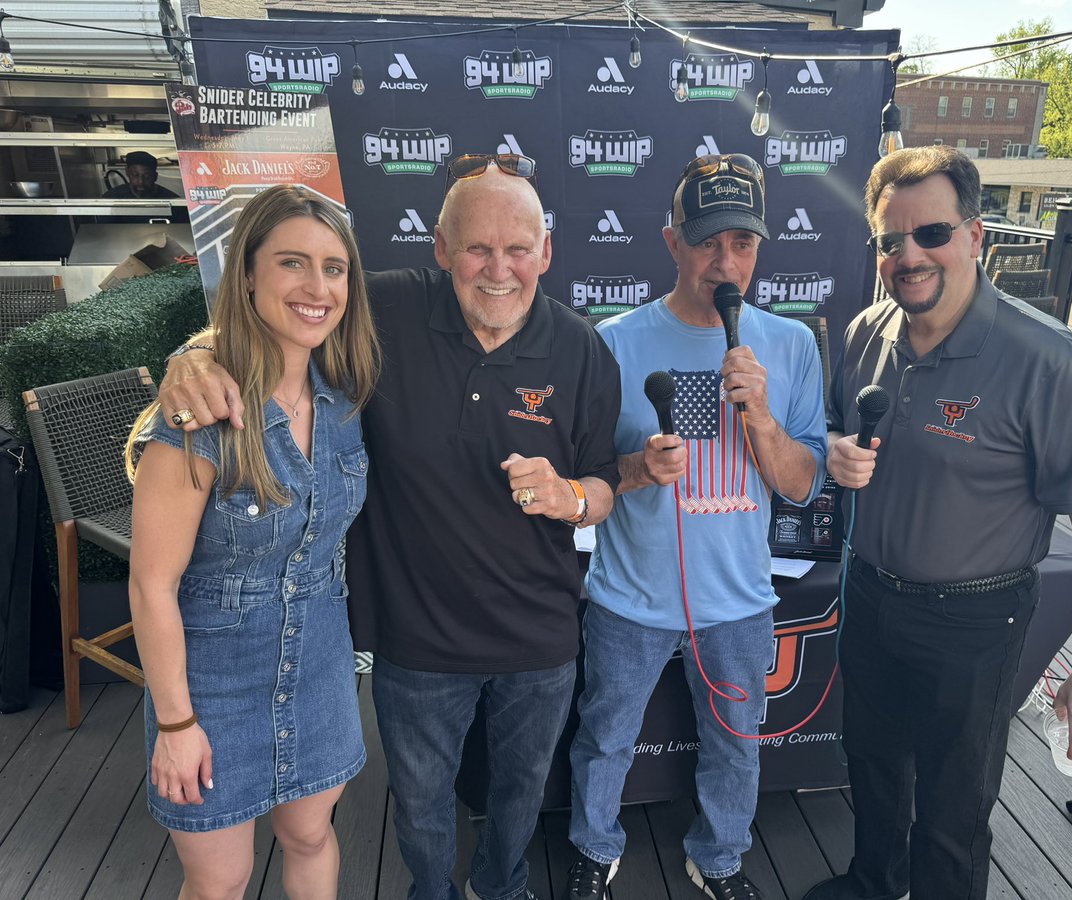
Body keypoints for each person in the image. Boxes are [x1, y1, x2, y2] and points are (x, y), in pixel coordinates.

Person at [157, 154, 621, 900]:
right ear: (440, 250)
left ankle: (501, 889)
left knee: (519, 800)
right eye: (476, 248)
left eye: (518, 249)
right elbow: (283, 314)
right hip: (416, 639)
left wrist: (571, 495)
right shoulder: (384, 311)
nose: (498, 269)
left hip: (540, 637)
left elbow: (606, 483)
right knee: (423, 809)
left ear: (546, 253)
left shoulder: (584, 348)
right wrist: (193, 355)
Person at [804, 146, 1072, 900]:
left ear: (976, 235)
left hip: (976, 617)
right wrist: (832, 450)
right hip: (871, 599)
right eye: (891, 240)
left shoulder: (1046, 360)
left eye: (931, 234)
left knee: (954, 808)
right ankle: (872, 885)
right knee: (874, 769)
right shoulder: (864, 333)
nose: (909, 255)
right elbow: (829, 429)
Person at [566, 154, 827, 900]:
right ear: (672, 242)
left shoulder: (791, 345)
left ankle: (718, 859)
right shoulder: (612, 341)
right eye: (708, 241)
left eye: (742, 243)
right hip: (630, 596)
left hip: (738, 600)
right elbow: (587, 477)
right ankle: (593, 848)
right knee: (605, 736)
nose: (725, 262)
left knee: (737, 747)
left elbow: (802, 486)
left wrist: (764, 420)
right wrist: (639, 469)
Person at [124, 184, 380, 899]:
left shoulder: (347, 396)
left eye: (334, 268)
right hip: (212, 682)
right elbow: (151, 585)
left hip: (321, 665)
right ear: (247, 275)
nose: (317, 286)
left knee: (310, 836)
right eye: (292, 263)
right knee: (220, 880)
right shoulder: (199, 414)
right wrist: (175, 722)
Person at [103, 150, 180, 199]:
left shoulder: (171, 199)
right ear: (127, 173)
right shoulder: (112, 198)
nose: (141, 182)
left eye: (147, 176)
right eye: (135, 175)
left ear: (155, 176)